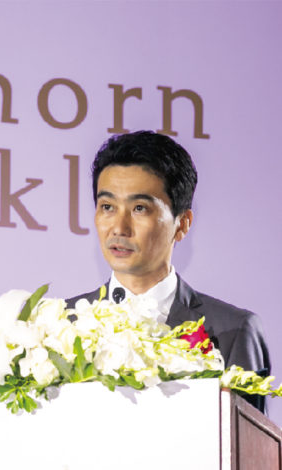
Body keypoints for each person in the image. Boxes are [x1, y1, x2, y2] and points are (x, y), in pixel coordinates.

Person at [67, 130, 270, 413]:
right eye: (107, 207)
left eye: (139, 208)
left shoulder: (232, 331)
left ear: (182, 223)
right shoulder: (61, 324)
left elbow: (244, 439)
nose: (119, 228)